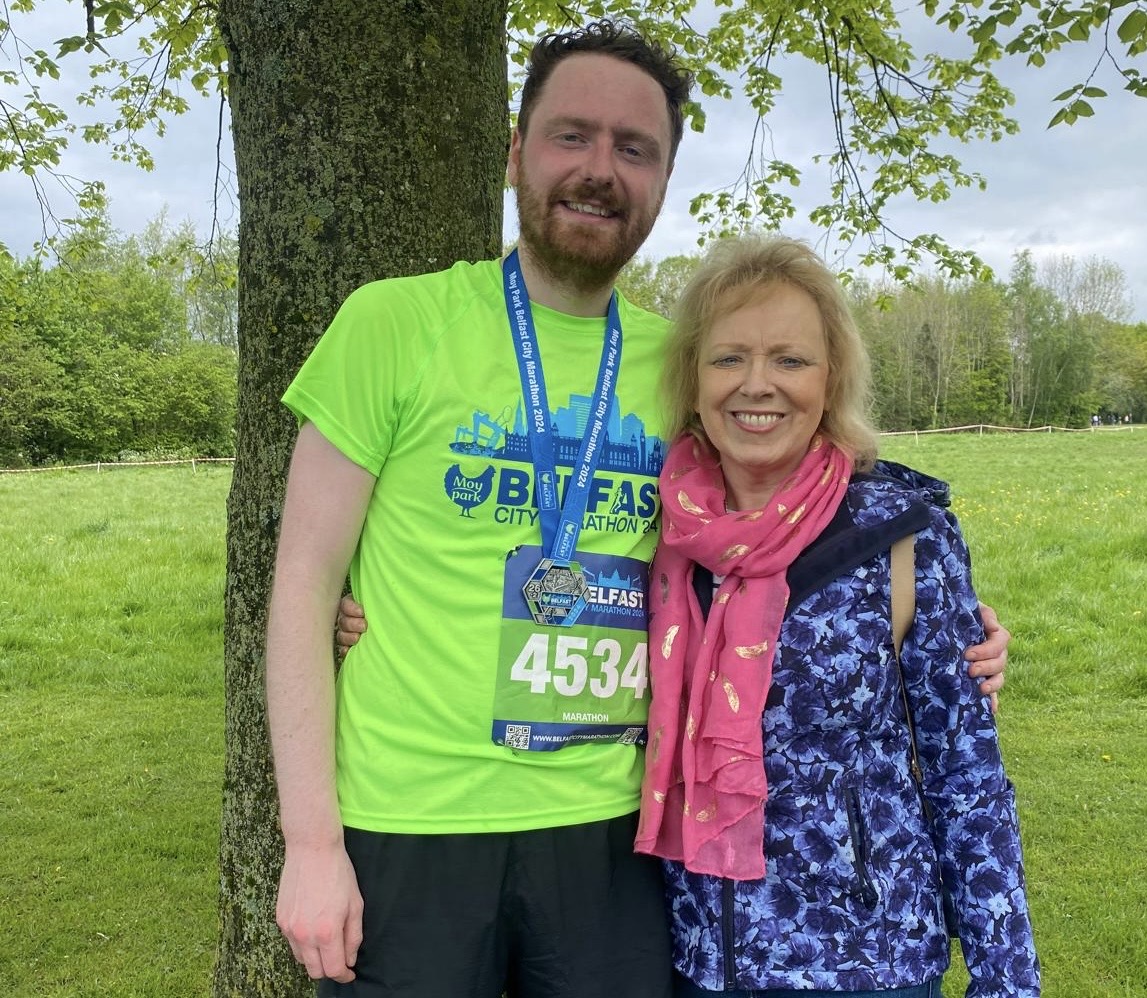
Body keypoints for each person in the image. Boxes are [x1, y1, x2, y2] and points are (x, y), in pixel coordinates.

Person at [268, 19, 1009, 998]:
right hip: (409, 821)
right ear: (516, 152)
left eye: (634, 148)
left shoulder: (685, 364)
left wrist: (948, 623)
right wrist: (310, 842)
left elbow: (793, 517)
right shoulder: (392, 323)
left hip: (616, 835)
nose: (599, 169)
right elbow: (302, 583)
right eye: (570, 135)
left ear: (661, 181)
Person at [633, 234, 1039, 996]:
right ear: (692, 378)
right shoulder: (656, 532)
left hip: (867, 965)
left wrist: (1005, 981)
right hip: (693, 961)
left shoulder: (900, 537)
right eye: (728, 358)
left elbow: (966, 775)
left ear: (831, 378)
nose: (757, 384)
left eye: (789, 360)